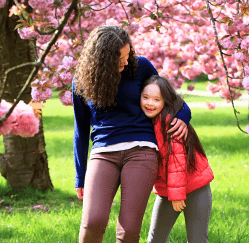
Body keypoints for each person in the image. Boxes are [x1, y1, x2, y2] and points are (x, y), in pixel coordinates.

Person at [72, 25, 192, 243]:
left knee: (128, 230)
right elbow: (80, 129)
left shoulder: (141, 66)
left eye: (128, 55)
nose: (126, 62)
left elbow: (171, 100)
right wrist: (80, 176)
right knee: (93, 221)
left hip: (142, 150)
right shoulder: (82, 81)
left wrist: (183, 117)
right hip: (103, 152)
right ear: (102, 60)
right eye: (120, 58)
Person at [141, 75, 214, 243]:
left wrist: (177, 195)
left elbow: (177, 160)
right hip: (168, 189)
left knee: (197, 239)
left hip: (195, 186)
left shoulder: (171, 123)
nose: (150, 103)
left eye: (156, 99)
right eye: (145, 98)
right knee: (155, 239)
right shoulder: (146, 121)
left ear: (165, 101)